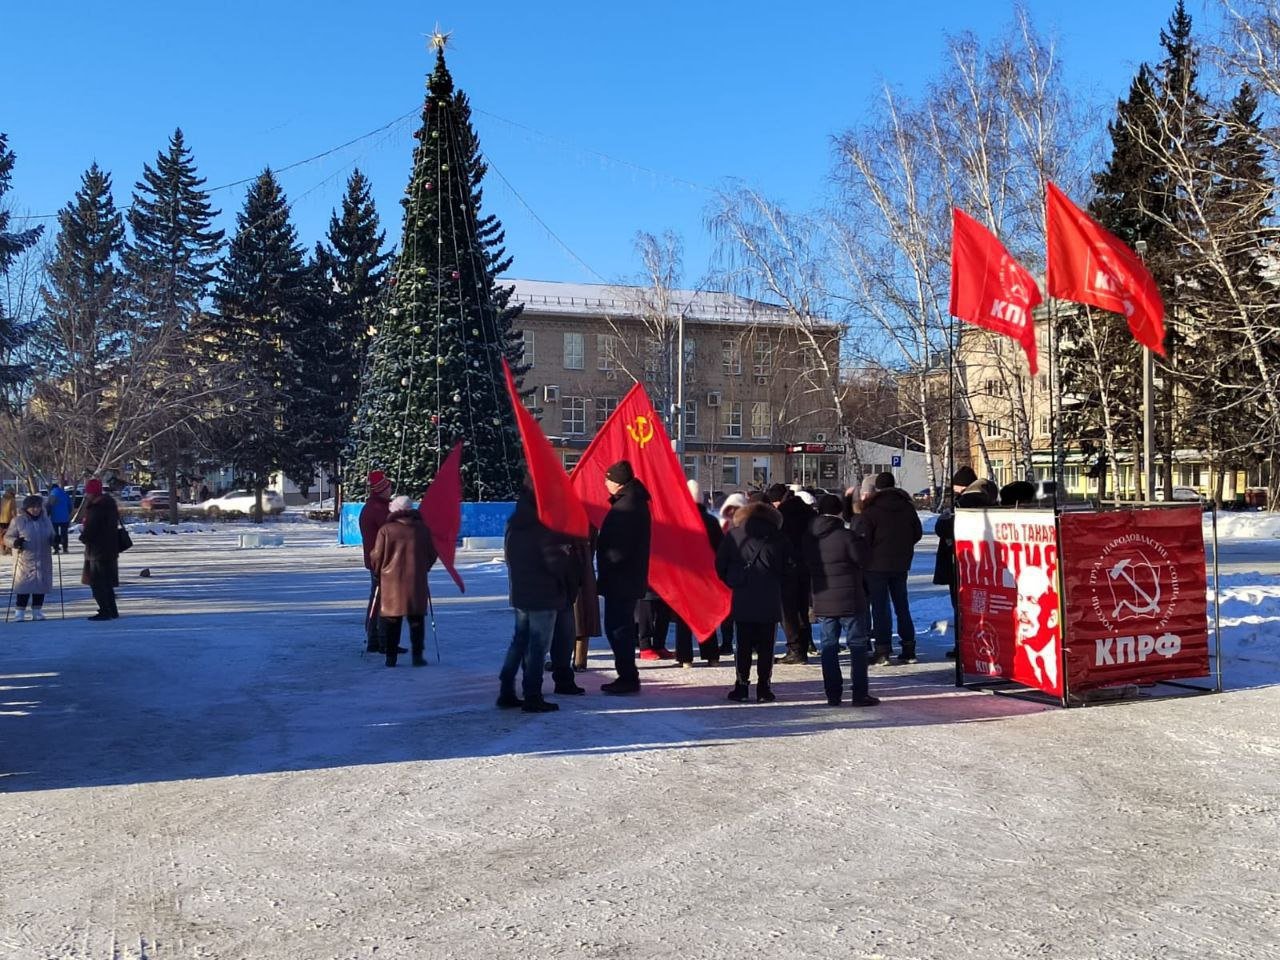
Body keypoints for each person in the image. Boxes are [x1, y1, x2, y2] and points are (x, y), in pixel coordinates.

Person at [500, 484, 583, 712]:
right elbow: (555, 565)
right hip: (544, 594)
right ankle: (532, 695)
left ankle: (506, 690)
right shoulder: (545, 528)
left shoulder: (514, 523)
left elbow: (509, 557)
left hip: (521, 592)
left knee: (519, 643)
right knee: (537, 647)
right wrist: (566, 556)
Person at [804, 494, 879, 707]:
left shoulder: (810, 538)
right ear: (838, 512)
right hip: (850, 599)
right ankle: (859, 693)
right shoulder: (847, 537)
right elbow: (863, 560)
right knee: (857, 646)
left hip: (823, 599)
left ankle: (833, 694)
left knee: (828, 647)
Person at [717, 499, 791, 703]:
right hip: (770, 596)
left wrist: (733, 580)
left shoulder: (734, 535)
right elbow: (788, 567)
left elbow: (720, 564)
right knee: (767, 645)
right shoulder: (778, 537)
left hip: (743, 595)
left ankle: (741, 686)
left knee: (743, 644)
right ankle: (764, 688)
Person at [595, 460, 651, 695]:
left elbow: (619, 547)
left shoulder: (626, 507)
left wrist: (606, 558)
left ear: (617, 482)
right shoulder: (631, 502)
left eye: (607, 478)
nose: (605, 483)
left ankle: (627, 676)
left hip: (621, 578)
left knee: (618, 628)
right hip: (626, 577)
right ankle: (627, 675)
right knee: (620, 626)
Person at [861, 472, 923, 665]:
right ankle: (909, 647)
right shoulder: (907, 507)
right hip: (901, 563)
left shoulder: (871, 510)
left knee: (880, 608)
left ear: (877, 488)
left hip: (875, 565)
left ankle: (882, 650)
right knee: (902, 606)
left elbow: (865, 539)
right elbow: (917, 533)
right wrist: (904, 547)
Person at [368, 495, 436, 668]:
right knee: (417, 621)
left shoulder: (386, 530)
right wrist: (423, 567)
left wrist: (378, 571)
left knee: (392, 621)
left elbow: (377, 555)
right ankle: (417, 656)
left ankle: (391, 658)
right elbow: (432, 553)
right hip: (416, 581)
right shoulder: (422, 529)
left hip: (391, 583)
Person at [673, 479, 725, 667]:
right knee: (706, 617)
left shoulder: (679, 521)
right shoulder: (711, 521)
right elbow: (720, 549)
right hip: (706, 576)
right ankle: (712, 655)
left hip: (685, 576)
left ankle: (685, 657)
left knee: (684, 618)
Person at [766, 483, 815, 664]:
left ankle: (795, 649)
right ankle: (804, 645)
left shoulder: (781, 516)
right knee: (803, 608)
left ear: (777, 501)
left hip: (787, 569)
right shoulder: (808, 512)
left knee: (787, 611)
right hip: (807, 566)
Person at [934, 466, 978, 659]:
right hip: (977, 563)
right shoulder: (988, 500)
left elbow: (944, 528)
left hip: (958, 562)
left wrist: (944, 519)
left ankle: (963, 645)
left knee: (960, 606)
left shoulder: (962, 504)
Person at [359, 470, 395, 654]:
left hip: (377, 560)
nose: (391, 490)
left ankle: (375, 638)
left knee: (377, 599)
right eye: (388, 487)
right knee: (383, 601)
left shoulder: (374, 506)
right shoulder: (377, 508)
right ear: (382, 489)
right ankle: (383, 641)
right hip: (382, 561)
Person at [6, 494, 55, 621]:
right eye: (32, 507)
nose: (35, 509)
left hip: (43, 557)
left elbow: (51, 534)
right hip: (24, 559)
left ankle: (37, 611)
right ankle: (19, 612)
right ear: (26, 508)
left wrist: (55, 540)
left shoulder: (46, 520)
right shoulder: (18, 521)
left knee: (40, 585)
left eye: (38, 506)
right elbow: (7, 538)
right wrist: (15, 542)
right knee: (24, 586)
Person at [79, 479, 120, 620]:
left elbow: (91, 529)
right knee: (107, 582)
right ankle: (112, 610)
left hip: (97, 550)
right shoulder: (109, 505)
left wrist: (83, 537)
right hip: (110, 549)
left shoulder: (96, 508)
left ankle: (105, 610)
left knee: (97, 582)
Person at [47, 484, 72, 555]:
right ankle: (65, 548)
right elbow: (70, 505)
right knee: (64, 533)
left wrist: (47, 515)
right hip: (65, 518)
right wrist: (68, 513)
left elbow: (49, 506)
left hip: (54, 518)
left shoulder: (52, 495)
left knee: (55, 534)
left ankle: (56, 548)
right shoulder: (65, 494)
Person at [0, 488, 15, 557]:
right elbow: (13, 511)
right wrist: (15, 518)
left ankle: (2, 548)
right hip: (9, 520)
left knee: (1, 535)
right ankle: (8, 548)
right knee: (9, 535)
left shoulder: (2, 499)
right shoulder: (12, 500)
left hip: (1, 520)